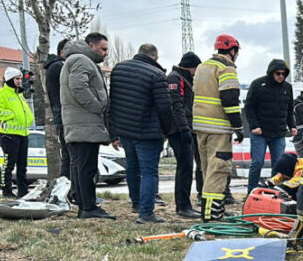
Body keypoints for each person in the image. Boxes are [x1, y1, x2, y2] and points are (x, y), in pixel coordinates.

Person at [110, 43, 173, 224]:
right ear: (155, 57)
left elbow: (113, 102)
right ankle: (146, 213)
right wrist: (167, 131)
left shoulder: (119, 69)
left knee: (132, 167)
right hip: (148, 131)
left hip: (125, 130)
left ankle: (136, 203)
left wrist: (114, 132)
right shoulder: (156, 75)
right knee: (149, 172)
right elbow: (164, 107)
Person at [60, 32, 115, 219]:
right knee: (86, 167)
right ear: (91, 45)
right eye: (103, 49)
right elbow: (78, 87)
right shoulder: (81, 60)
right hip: (83, 124)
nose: (106, 53)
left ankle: (86, 206)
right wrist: (98, 106)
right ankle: (89, 208)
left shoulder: (78, 60)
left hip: (82, 124)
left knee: (81, 166)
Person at [193, 34, 244, 221]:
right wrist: (238, 126)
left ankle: (209, 212)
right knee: (219, 170)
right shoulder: (226, 68)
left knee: (207, 170)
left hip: (201, 127)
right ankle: (212, 216)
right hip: (219, 128)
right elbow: (230, 99)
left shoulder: (202, 67)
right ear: (232, 50)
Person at [244, 59, 296, 192]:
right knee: (257, 163)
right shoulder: (257, 84)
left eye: (283, 74)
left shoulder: (287, 87)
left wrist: (292, 126)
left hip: (278, 133)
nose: (281, 76)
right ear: (272, 72)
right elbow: (249, 108)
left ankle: (274, 192)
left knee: (279, 166)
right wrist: (254, 126)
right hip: (260, 133)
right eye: (278, 73)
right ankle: (251, 192)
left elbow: (289, 109)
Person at [0, 67, 34, 198]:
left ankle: (23, 191)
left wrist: (29, 119)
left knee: (22, 165)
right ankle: (7, 191)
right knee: (9, 164)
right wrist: (12, 115)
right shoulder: (1, 94)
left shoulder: (19, 95)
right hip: (9, 134)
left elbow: (26, 113)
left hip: (23, 134)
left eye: (20, 78)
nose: (20, 81)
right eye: (17, 79)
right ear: (10, 80)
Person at [166, 52, 202, 219]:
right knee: (185, 167)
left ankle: (185, 204)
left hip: (184, 127)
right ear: (191, 66)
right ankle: (183, 206)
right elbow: (176, 105)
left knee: (187, 167)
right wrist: (184, 128)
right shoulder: (176, 78)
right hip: (180, 129)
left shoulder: (183, 78)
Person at [44, 39, 71, 180]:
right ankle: (71, 191)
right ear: (62, 52)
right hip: (65, 116)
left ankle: (67, 191)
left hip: (61, 116)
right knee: (70, 158)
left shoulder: (54, 66)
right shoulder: (59, 67)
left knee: (68, 157)